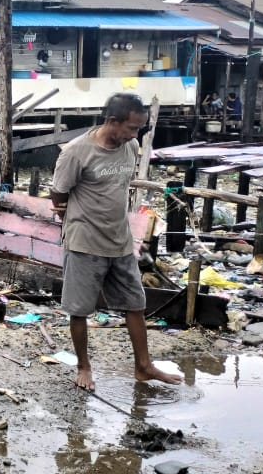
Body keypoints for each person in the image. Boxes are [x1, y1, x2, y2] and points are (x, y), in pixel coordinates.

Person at [49, 92, 181, 392]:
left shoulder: (130, 147)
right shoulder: (75, 152)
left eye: (138, 129)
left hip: (120, 241)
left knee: (135, 304)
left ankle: (144, 366)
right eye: (132, 128)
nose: (136, 135)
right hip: (84, 242)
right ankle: (83, 366)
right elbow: (58, 195)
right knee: (79, 309)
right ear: (112, 121)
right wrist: (74, 224)